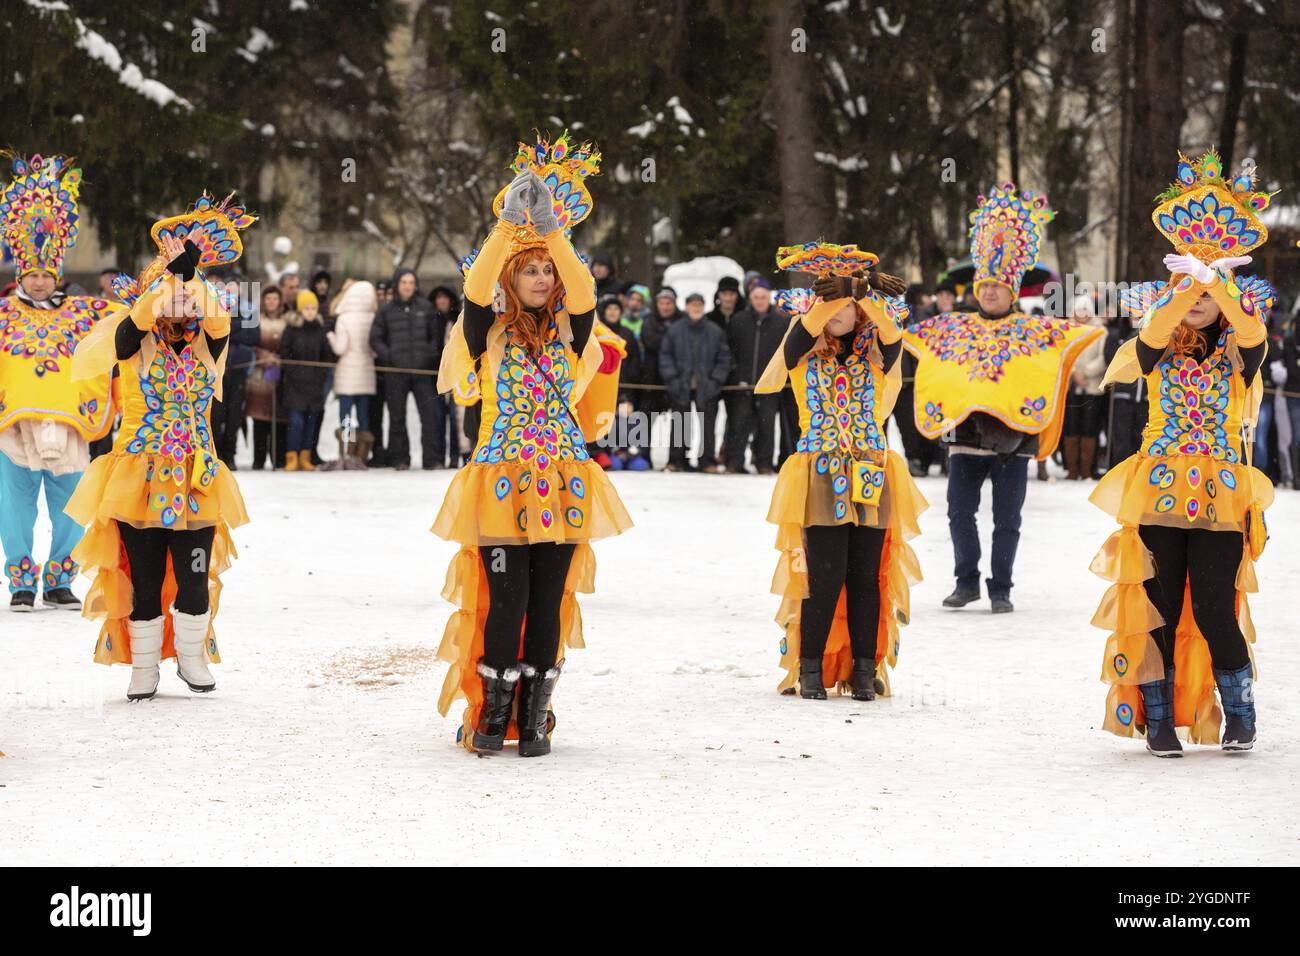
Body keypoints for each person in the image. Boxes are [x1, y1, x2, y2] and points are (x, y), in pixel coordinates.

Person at [433, 135, 632, 757]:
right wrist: (507, 230)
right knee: (507, 598)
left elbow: (586, 291)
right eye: (531, 269)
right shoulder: (485, 331)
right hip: (499, 478)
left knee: (548, 602)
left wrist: (553, 234)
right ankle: (494, 715)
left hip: (565, 477)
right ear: (512, 278)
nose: (543, 278)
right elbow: (473, 289)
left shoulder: (574, 334)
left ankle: (536, 713)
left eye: (547, 270)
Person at [1089, 149, 1276, 756]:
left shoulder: (1241, 349)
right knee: (1161, 607)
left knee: (1217, 608)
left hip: (1220, 498)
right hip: (1159, 493)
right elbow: (1146, 337)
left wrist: (1217, 279)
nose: (1196, 296)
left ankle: (1240, 712)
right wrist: (1187, 282)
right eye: (1184, 283)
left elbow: (1249, 331)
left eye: (1207, 289)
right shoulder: (1158, 343)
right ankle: (1160, 719)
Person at [66, 193, 254, 701]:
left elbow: (217, 318)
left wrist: (190, 275)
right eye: (169, 296)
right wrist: (167, 279)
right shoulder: (131, 340)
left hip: (196, 480)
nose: (181, 305)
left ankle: (191, 658)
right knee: (144, 584)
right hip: (139, 484)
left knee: (193, 580)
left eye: (187, 296)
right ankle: (143, 668)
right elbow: (134, 327)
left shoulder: (210, 342)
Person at [902, 184, 1103, 613]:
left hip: (1014, 439)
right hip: (965, 436)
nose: (989, 291)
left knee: (1007, 520)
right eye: (984, 284)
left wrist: (1091, 321)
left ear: (1013, 291)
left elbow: (1074, 335)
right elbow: (907, 335)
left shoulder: (1032, 330)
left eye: (997, 285)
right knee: (959, 514)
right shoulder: (953, 326)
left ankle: (1001, 589)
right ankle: (966, 580)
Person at [755, 250, 927, 700]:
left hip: (872, 469)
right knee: (824, 575)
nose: (842, 312)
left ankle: (865, 669)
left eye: (850, 306)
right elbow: (809, 327)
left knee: (867, 576)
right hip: (820, 473)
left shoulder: (877, 352)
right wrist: (840, 293)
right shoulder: (801, 350)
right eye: (834, 302)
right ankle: (809, 666)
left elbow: (891, 332)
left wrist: (861, 291)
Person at [0, 153, 118, 611]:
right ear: (19, 274)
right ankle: (22, 581)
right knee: (14, 507)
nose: (39, 281)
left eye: (46, 274)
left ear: (58, 275)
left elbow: (128, 323)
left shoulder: (84, 313)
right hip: (14, 425)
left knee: (72, 507)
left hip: (68, 425)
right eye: (31, 274)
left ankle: (60, 579)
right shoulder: (4, 315)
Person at [370, 268, 439, 470]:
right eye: (403, 282)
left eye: (411, 282)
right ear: (397, 285)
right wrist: (389, 356)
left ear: (415, 285)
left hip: (422, 373)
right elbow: (375, 339)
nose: (407, 286)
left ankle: (431, 459)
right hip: (396, 373)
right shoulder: (386, 310)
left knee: (429, 416)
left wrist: (428, 355)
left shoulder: (426, 308)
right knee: (397, 417)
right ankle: (400, 459)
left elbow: (435, 337)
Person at [661, 291, 730, 472]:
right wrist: (673, 379)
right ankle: (677, 460)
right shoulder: (675, 330)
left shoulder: (715, 331)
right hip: (681, 385)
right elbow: (666, 357)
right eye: (693, 305)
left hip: (706, 386)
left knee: (708, 426)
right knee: (680, 424)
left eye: (699, 305)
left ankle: (707, 461)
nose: (696, 308)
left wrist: (715, 381)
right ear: (686, 307)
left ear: (703, 307)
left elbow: (724, 358)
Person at [724, 280, 788, 474]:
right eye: (756, 297)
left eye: (763, 297)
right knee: (739, 423)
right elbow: (729, 350)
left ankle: (764, 463)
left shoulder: (780, 322)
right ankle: (734, 462)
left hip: (769, 383)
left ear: (769, 298)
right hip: (743, 383)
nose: (760, 301)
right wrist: (736, 372)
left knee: (766, 425)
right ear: (750, 299)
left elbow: (784, 352)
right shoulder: (738, 320)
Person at [325, 279, 379, 465]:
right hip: (366, 371)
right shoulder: (373, 318)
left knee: (346, 415)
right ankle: (362, 454)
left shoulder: (344, 319)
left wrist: (331, 336)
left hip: (346, 372)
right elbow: (374, 349)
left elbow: (340, 348)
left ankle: (347, 449)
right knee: (364, 414)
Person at [210, 274, 260, 469]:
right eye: (227, 287)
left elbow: (254, 335)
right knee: (215, 413)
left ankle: (230, 453)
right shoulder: (215, 307)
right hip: (217, 370)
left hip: (239, 368)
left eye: (235, 287)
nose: (231, 290)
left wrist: (231, 328)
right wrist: (235, 330)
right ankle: (217, 452)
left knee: (234, 414)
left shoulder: (249, 309)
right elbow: (215, 332)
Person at [279, 290, 331, 471]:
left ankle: (305, 455)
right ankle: (291, 455)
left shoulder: (320, 330)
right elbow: (284, 354)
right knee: (295, 421)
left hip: (314, 385)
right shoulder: (292, 329)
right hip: (295, 385)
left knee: (311, 421)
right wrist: (295, 373)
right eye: (307, 308)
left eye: (313, 308)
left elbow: (327, 356)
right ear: (301, 310)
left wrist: (320, 375)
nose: (310, 311)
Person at [1061, 295, 1108, 479]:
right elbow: (1064, 353)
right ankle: (1072, 469)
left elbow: (1103, 357)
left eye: (1085, 309)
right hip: (1072, 386)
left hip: (1092, 385)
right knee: (1071, 426)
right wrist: (1074, 373)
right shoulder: (1067, 329)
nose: (1082, 313)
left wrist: (1085, 373)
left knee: (1090, 427)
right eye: (1078, 309)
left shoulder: (1100, 331)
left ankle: (1086, 469)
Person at [245, 284, 287, 469]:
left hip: (280, 374)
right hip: (259, 374)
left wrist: (281, 358)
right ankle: (259, 459)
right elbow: (248, 342)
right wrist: (262, 355)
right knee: (259, 418)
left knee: (278, 419)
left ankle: (278, 458)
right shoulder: (255, 319)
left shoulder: (287, 320)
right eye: (268, 298)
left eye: (275, 299)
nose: (271, 302)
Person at [430, 285, 462, 468]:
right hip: (434, 375)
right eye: (438, 297)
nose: (441, 301)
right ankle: (439, 456)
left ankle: (455, 456)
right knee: (438, 419)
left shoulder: (456, 319)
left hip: (456, 375)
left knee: (455, 420)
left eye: (445, 297)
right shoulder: (432, 320)